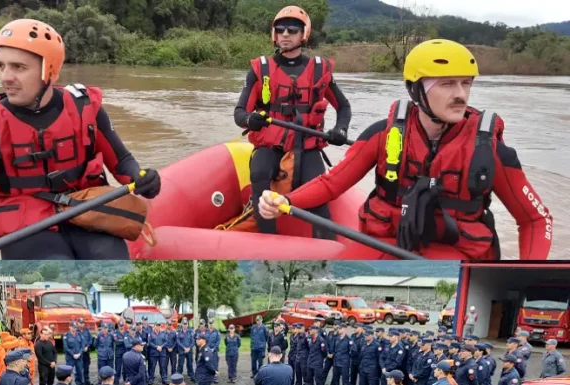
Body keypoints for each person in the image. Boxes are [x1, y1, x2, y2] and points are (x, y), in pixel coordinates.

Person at [259, 38, 553, 260]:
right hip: (386, 242)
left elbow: (536, 220)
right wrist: (283, 202)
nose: (460, 95)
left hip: (456, 252)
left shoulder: (491, 151)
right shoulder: (382, 134)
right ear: (416, 89)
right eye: (447, 84)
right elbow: (332, 183)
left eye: (466, 83)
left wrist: (524, 278)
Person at [0, 18, 161, 260]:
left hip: (86, 211)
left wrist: (142, 177)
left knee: (110, 263)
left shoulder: (85, 109)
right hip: (26, 227)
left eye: (18, 67)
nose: (6, 77)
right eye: (1, 65)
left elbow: (122, 161)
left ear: (50, 70)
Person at [233, 5, 352, 239]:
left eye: (292, 29)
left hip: (307, 145)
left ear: (303, 34)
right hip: (270, 145)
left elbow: (344, 107)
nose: (285, 34)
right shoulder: (259, 70)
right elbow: (239, 114)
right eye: (280, 30)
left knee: (319, 191)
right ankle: (267, 240)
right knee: (259, 174)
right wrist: (251, 120)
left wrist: (340, 128)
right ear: (274, 35)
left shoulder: (320, 70)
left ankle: (325, 247)